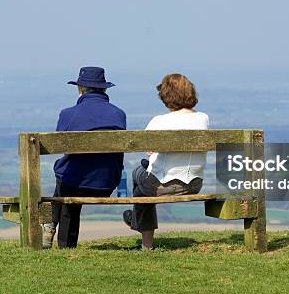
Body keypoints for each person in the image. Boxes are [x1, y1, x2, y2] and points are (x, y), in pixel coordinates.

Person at [43, 66, 126, 249]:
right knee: (66, 174)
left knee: (63, 174)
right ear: (104, 89)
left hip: (74, 185)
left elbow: (60, 144)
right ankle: (52, 230)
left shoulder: (68, 114)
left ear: (80, 89)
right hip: (106, 183)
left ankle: (57, 236)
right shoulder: (118, 114)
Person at [123, 74, 209, 250]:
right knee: (142, 180)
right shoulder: (203, 118)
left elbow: (147, 148)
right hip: (194, 183)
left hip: (164, 185)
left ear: (166, 97)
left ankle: (146, 242)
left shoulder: (159, 121)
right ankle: (137, 221)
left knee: (138, 177)